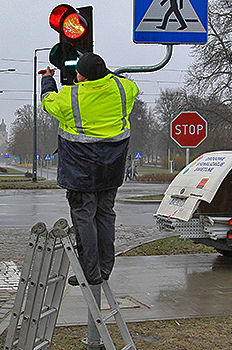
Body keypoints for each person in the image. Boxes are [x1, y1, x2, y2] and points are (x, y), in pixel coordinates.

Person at [40, 53, 139, 287]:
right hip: (111, 169)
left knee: (84, 218)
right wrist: (104, 75)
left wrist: (47, 79)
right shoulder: (124, 90)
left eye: (77, 73)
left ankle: (89, 270)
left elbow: (47, 101)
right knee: (106, 216)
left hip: (81, 171)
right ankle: (105, 268)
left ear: (82, 77)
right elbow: (125, 82)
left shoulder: (71, 97)